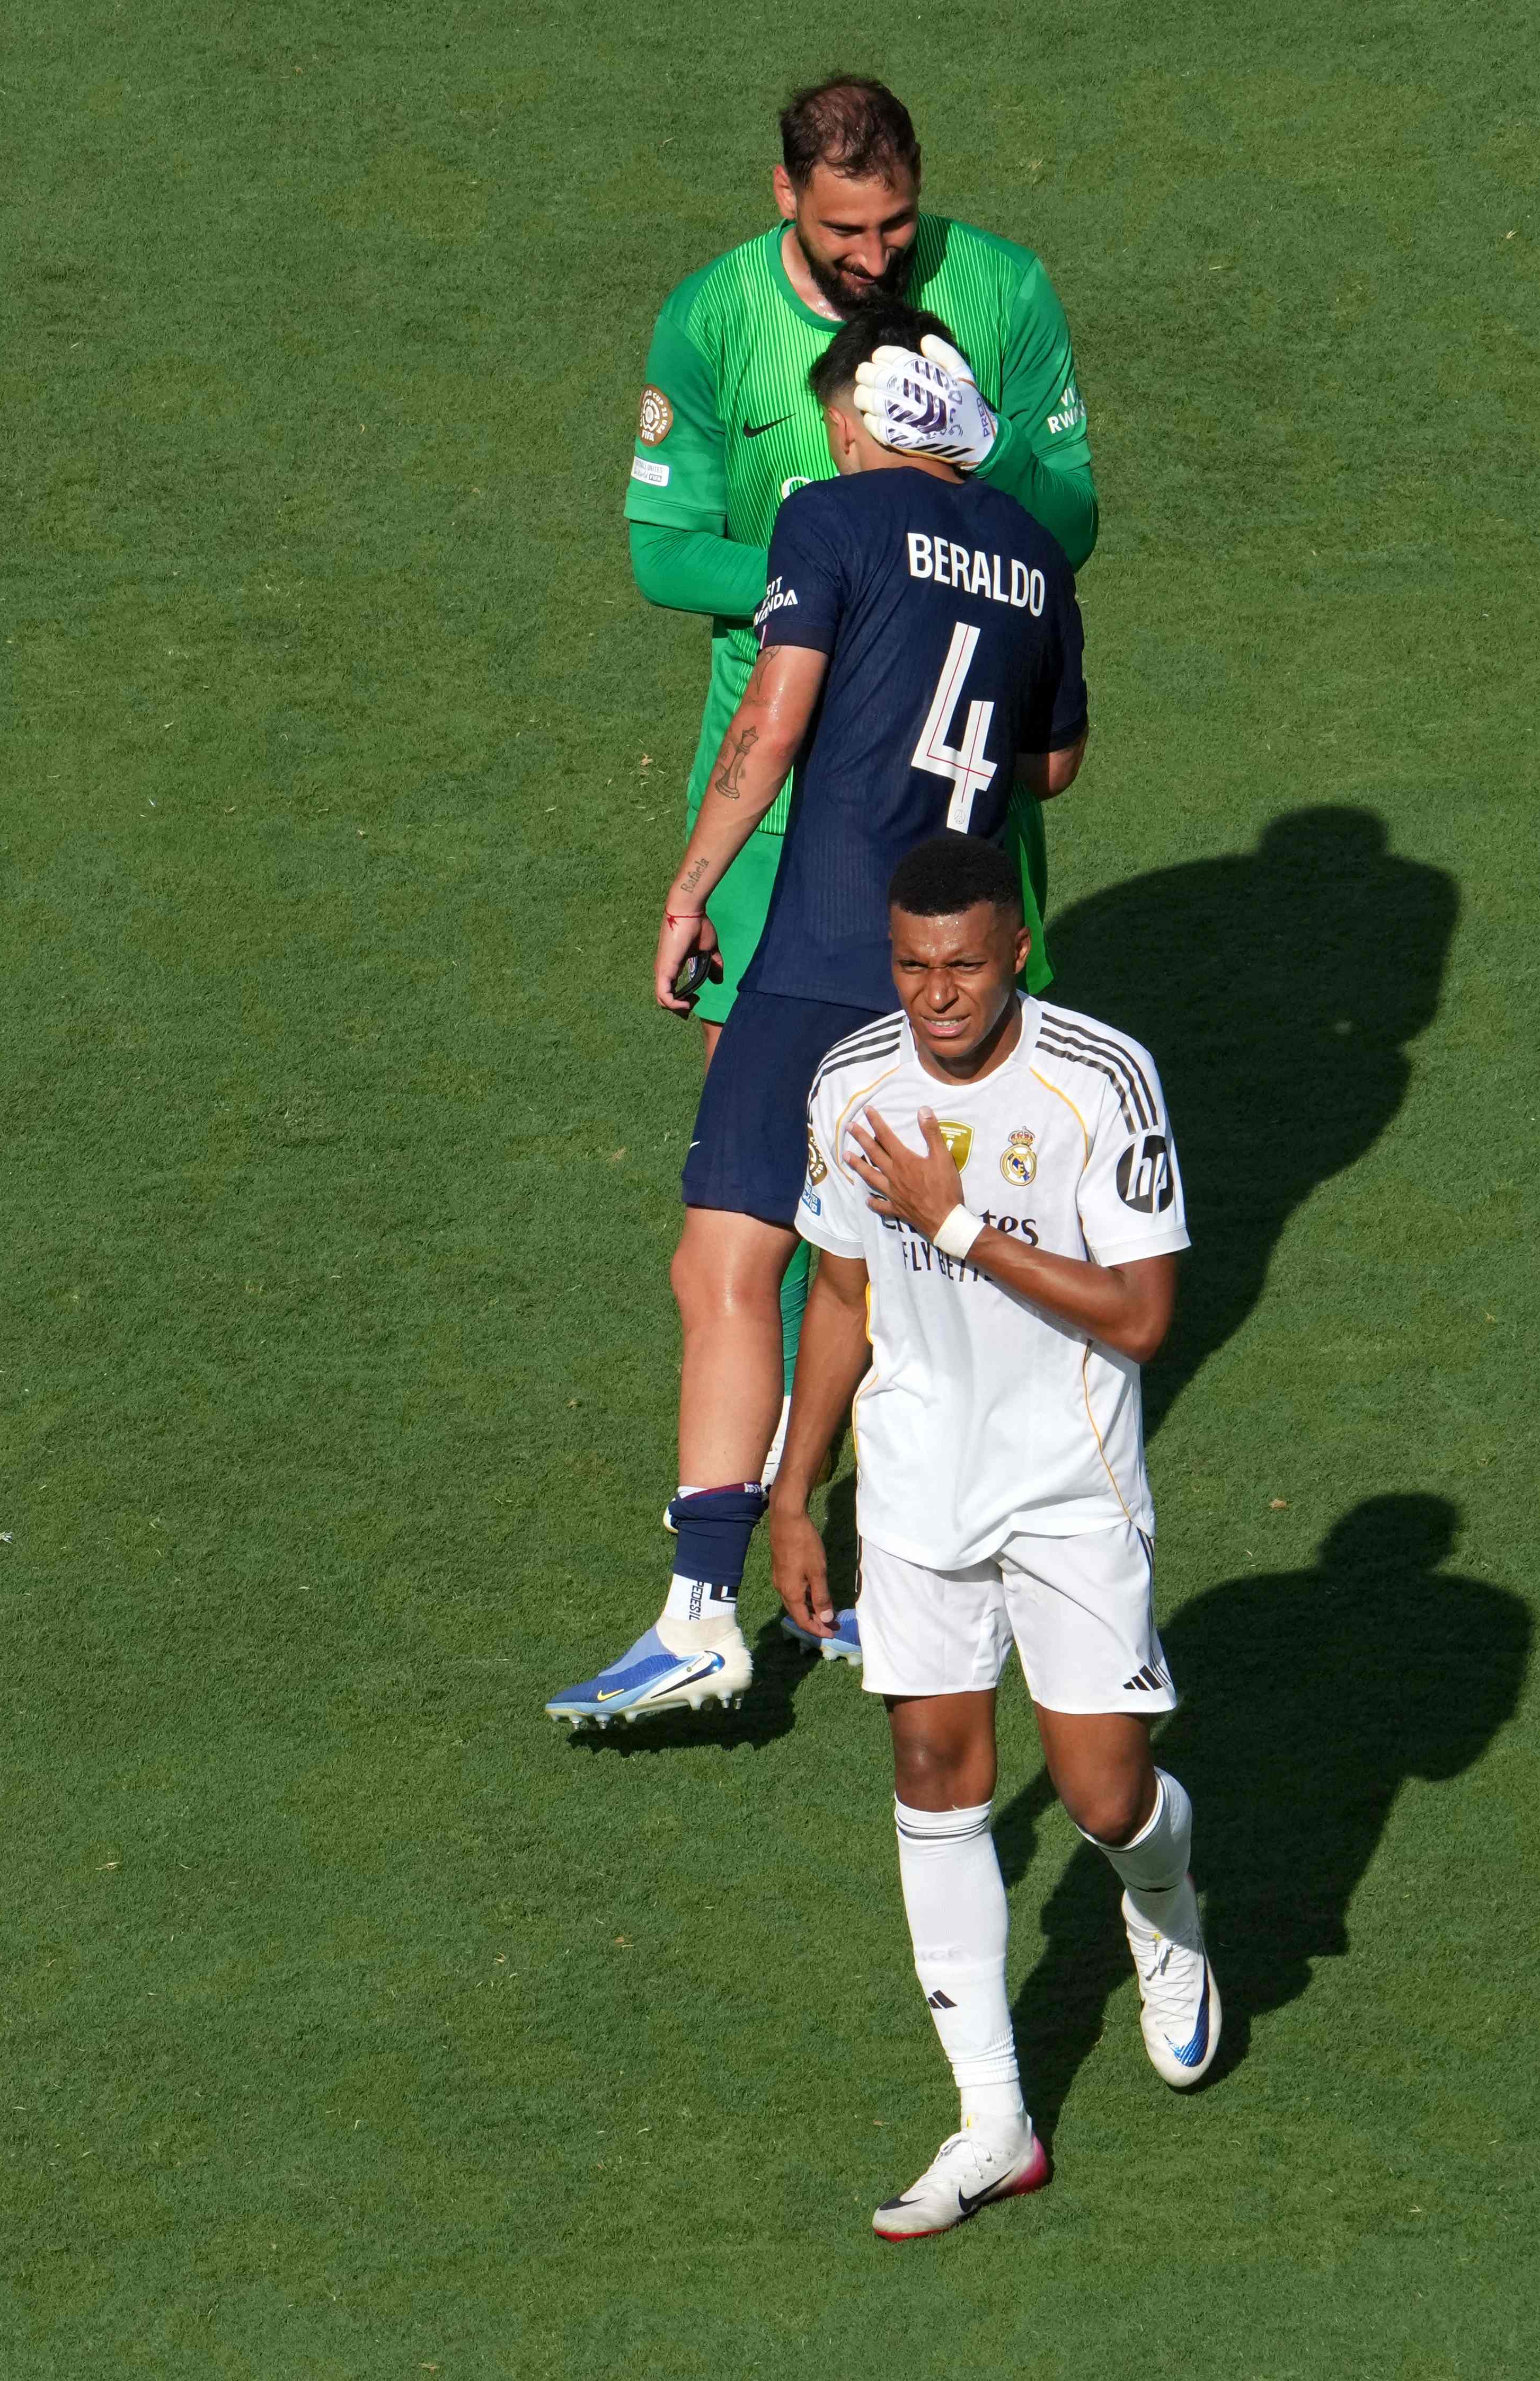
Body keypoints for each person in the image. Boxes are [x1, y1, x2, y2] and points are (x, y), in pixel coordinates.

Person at [546, 302, 1086, 1726]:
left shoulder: (832, 519)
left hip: (828, 948)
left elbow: (770, 723)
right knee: (885, 1285)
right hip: (961, 979)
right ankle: (912, 1596)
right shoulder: (1037, 559)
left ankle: (698, 1613)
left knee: (726, 1261)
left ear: (856, 416)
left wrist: (689, 887)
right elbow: (1055, 764)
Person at [769, 830, 1213, 2237]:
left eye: (962, 964)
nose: (936, 994)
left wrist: (957, 1222)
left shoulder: (1099, 1080)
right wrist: (795, 1486)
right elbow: (838, 1293)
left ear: (1017, 944)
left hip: (1067, 1485)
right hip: (913, 1481)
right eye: (911, 966)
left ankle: (1166, 1897)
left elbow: (1143, 1316)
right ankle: (992, 2118)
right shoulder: (852, 1085)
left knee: (1100, 1796)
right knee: (930, 1765)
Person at [621, 75, 1099, 1051]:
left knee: (956, 1128)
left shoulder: (1003, 288)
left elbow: (1073, 525)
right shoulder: (711, 315)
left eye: (897, 224)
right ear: (784, 193)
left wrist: (992, 445)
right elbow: (664, 555)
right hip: (772, 799)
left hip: (957, 790)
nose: (875, 256)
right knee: (759, 1125)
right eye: (845, 229)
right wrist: (847, 578)